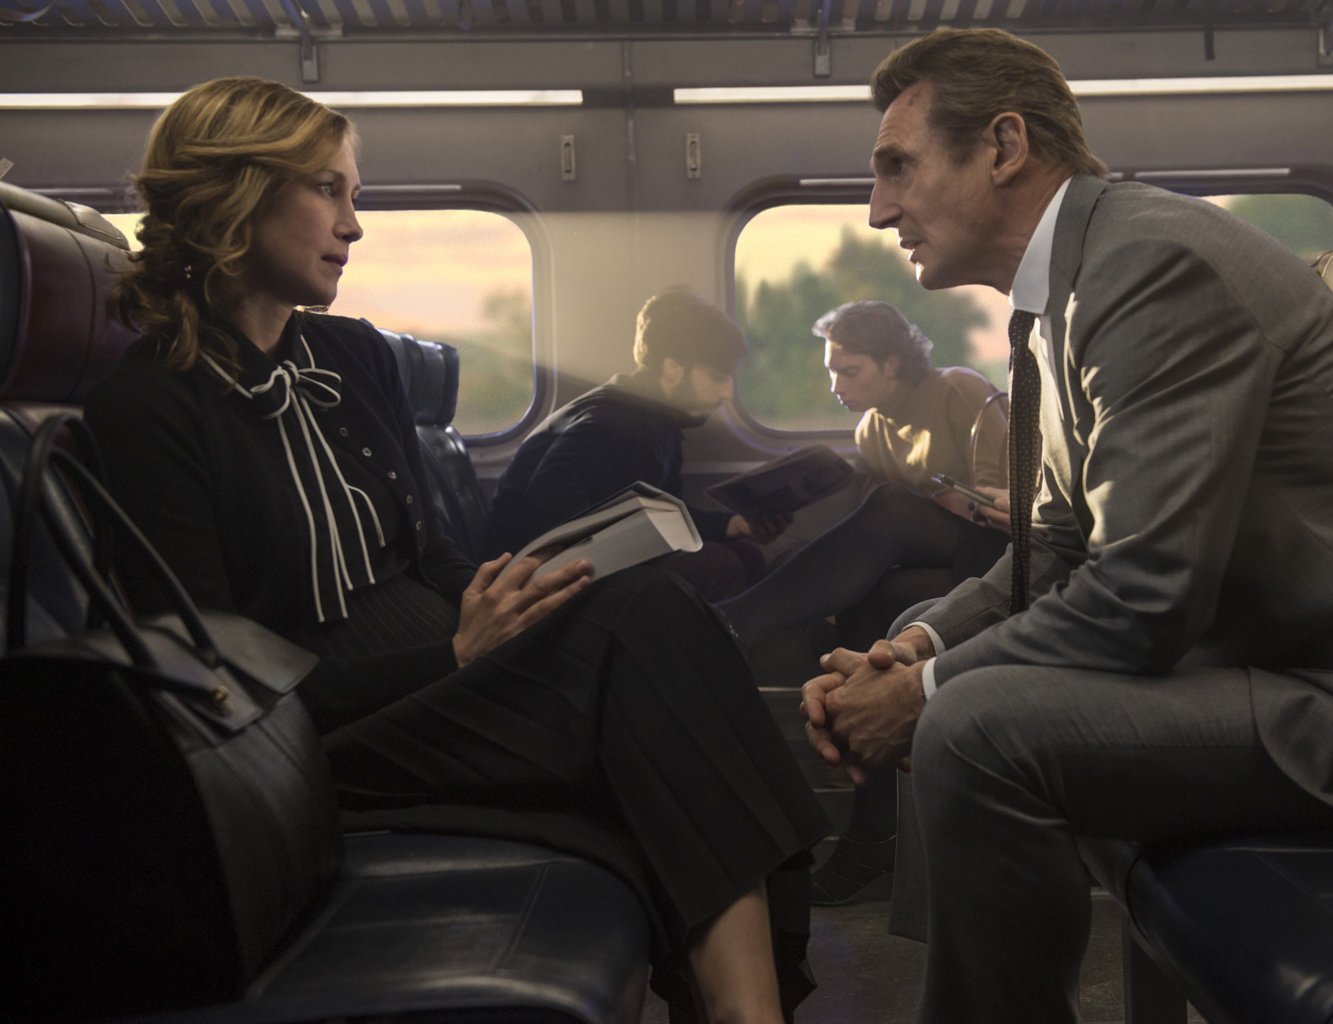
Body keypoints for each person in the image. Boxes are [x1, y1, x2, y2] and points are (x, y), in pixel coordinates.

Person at [85, 76, 828, 1024]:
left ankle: (741, 1012)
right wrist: (455, 656)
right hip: (316, 725)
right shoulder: (148, 406)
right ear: (236, 196)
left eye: (354, 194)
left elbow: (433, 558)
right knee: (649, 639)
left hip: (443, 663)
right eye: (327, 190)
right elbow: (218, 682)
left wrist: (516, 603)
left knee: (644, 605)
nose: (353, 225)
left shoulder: (352, 358)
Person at [801, 26, 1333, 1024]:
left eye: (898, 167)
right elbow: (1057, 545)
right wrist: (915, 649)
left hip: (1332, 696)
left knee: (972, 726)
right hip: (1251, 661)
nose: (879, 209)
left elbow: (1143, 595)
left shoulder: (1152, 266)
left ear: (1004, 146)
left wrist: (920, 695)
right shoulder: (1064, 293)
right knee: (934, 647)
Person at [716, 300, 1010, 907]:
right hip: (930, 569)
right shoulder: (871, 429)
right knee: (865, 611)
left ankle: (732, 625)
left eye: (849, 371)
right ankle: (874, 833)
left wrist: (951, 504)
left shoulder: (959, 392)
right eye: (832, 371)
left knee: (894, 508)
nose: (836, 385)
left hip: (996, 555)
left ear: (893, 364)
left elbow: (1008, 497)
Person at [482, 287, 785, 600]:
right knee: (720, 567)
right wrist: (626, 551)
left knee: (747, 555)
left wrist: (731, 524)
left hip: (574, 564)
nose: (727, 393)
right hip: (530, 578)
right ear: (672, 368)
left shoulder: (659, 421)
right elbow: (551, 490)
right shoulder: (612, 421)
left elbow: (668, 513)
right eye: (718, 377)